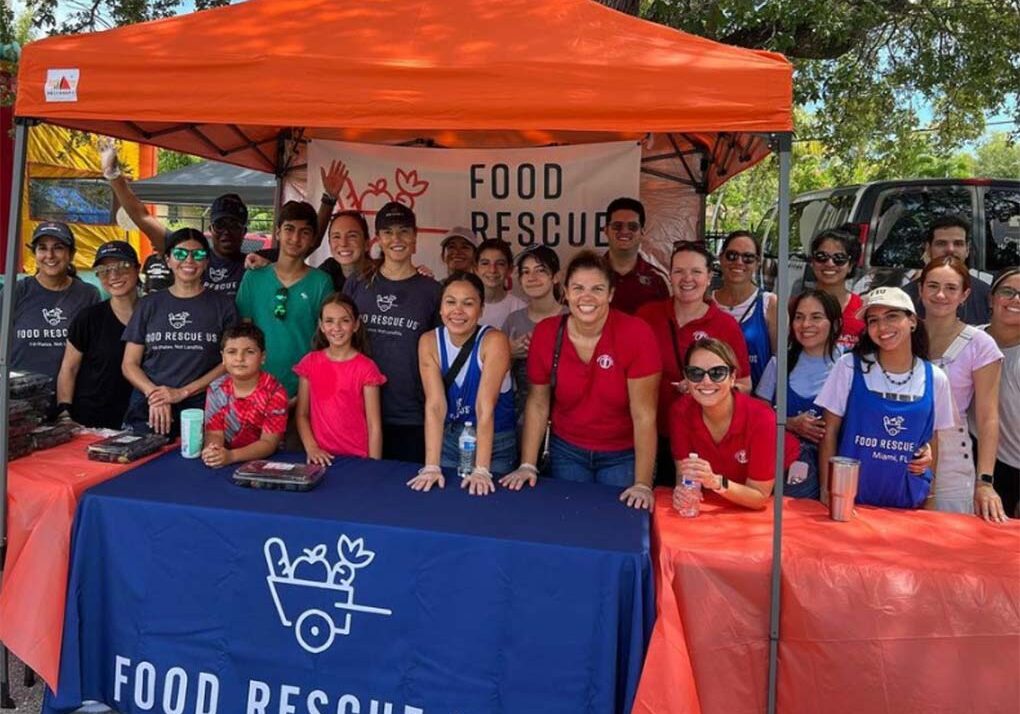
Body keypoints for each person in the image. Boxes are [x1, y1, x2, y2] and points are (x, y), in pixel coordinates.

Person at [500, 251, 661, 510]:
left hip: (622, 455)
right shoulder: (547, 332)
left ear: (610, 294)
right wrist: (527, 464)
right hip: (566, 451)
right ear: (565, 292)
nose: (586, 297)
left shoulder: (636, 334)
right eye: (578, 288)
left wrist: (642, 483)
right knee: (570, 522)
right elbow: (538, 404)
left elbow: (644, 415)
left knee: (616, 528)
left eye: (597, 288)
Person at [816, 287, 956, 509]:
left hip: (907, 505)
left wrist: (929, 497)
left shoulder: (936, 378)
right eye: (873, 320)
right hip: (851, 503)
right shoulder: (849, 366)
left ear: (912, 321)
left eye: (892, 316)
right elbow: (829, 432)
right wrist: (827, 490)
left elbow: (933, 441)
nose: (882, 327)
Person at [636, 242, 751, 485]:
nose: (687, 278)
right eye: (679, 271)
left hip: (698, 439)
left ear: (709, 277)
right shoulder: (647, 316)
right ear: (670, 275)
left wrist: (706, 389)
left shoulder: (725, 326)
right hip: (646, 433)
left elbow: (743, 384)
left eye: (696, 272)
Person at [342, 202, 441, 462]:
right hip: (356, 410)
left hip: (410, 415)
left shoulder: (431, 291)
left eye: (403, 231)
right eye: (388, 232)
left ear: (415, 237)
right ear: (377, 239)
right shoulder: (358, 282)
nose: (396, 239)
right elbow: (336, 337)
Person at [121, 228, 239, 435]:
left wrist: (182, 392)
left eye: (198, 254)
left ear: (206, 261)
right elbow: (129, 364)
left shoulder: (224, 305)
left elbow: (229, 363)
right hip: (150, 405)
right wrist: (156, 395)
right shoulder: (148, 304)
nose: (189, 260)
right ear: (168, 260)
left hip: (200, 405)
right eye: (181, 254)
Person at [409, 273, 517, 495]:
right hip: (450, 440)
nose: (458, 311)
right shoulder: (429, 341)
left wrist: (482, 469)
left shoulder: (494, 341)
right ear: (440, 308)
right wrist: (431, 466)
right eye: (450, 302)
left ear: (481, 309)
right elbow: (435, 406)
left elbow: (484, 407)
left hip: (495, 443)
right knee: (444, 502)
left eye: (468, 303)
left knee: (487, 506)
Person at [101, 139, 247, 295]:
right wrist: (113, 175)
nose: (226, 231)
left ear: (244, 231)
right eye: (220, 225)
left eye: (233, 225)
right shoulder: (190, 254)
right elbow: (142, 217)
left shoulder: (254, 265)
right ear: (211, 229)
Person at [919, 256, 1004, 518]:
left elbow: (988, 416)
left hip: (952, 461)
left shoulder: (980, 344)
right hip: (898, 448)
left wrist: (985, 481)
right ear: (920, 290)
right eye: (932, 286)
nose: (941, 295)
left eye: (951, 288)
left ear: (965, 294)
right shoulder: (903, 333)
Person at [236, 201, 333, 401]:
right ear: (278, 232)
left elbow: (327, 342)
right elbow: (243, 335)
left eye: (304, 232)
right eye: (289, 229)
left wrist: (306, 392)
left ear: (313, 238)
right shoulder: (253, 277)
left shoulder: (321, 282)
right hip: (256, 391)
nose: (295, 238)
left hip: (303, 393)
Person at [669, 338, 778, 509]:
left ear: (733, 377)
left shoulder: (762, 417)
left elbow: (759, 497)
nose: (706, 381)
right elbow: (685, 478)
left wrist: (716, 482)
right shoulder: (680, 412)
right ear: (686, 378)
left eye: (717, 373)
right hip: (721, 497)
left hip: (782, 479)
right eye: (696, 373)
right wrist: (683, 493)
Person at [755, 290, 844, 499]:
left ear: (836, 323)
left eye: (816, 317)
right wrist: (790, 422)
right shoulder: (779, 363)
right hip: (780, 473)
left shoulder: (849, 366)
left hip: (834, 477)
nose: (805, 325)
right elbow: (758, 417)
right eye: (799, 317)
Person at [53, 241, 139, 428]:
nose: (114, 275)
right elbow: (69, 368)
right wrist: (65, 412)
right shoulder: (88, 318)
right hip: (92, 420)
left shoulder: (155, 313)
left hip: (142, 418)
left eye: (122, 266)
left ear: (137, 268)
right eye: (104, 270)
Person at [294, 293, 386, 464]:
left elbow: (374, 425)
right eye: (329, 321)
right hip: (320, 458)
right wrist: (312, 448)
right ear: (321, 326)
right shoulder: (309, 362)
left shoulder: (366, 367)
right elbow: (302, 414)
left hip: (358, 458)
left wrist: (373, 465)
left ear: (356, 325)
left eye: (344, 320)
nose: (336, 327)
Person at [10, 222, 100, 382]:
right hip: (19, 397)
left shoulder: (88, 294)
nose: (50, 255)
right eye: (42, 248)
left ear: (71, 254)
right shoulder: (17, 291)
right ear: (34, 254)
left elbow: (95, 350)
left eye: (58, 247)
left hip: (70, 397)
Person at [201, 323, 288, 468]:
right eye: (232, 352)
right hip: (226, 461)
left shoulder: (275, 392)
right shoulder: (216, 389)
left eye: (249, 351)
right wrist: (213, 451)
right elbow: (214, 434)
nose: (240, 358)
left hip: (265, 464)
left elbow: (268, 443)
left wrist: (231, 456)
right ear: (223, 357)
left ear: (263, 357)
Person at [503, 246, 566, 418]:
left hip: (565, 416)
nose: (532, 278)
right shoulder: (513, 320)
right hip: (521, 416)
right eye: (526, 272)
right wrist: (509, 353)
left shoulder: (571, 318)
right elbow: (498, 375)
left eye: (540, 271)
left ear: (556, 277)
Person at [711, 231, 778, 388]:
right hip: (711, 401)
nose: (739, 262)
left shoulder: (770, 304)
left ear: (758, 262)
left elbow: (779, 361)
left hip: (756, 404)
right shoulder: (707, 302)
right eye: (732, 255)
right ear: (721, 258)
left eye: (748, 257)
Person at [903, 215, 992, 325]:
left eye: (958, 244)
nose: (950, 249)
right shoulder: (905, 298)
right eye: (941, 243)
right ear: (928, 249)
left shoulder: (985, 295)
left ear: (967, 250)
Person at [982, 267, 1020, 518]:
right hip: (977, 461)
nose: (1016, 300)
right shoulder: (970, 340)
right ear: (991, 298)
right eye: (1008, 291)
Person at [602, 197, 669, 314]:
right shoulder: (586, 274)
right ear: (606, 230)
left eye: (633, 227)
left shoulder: (658, 279)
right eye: (617, 226)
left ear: (642, 232)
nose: (624, 231)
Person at [808, 228, 866, 351]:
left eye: (839, 258)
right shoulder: (795, 308)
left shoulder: (863, 310)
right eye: (821, 256)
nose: (829, 263)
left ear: (851, 265)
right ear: (812, 261)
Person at [317, 210, 373, 291]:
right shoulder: (328, 270)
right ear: (329, 243)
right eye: (336, 236)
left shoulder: (381, 277)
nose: (343, 243)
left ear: (367, 244)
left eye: (352, 236)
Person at [475, 238, 526, 327]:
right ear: (476, 269)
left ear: (510, 270)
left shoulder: (520, 308)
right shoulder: (464, 306)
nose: (492, 270)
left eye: (500, 264)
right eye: (485, 263)